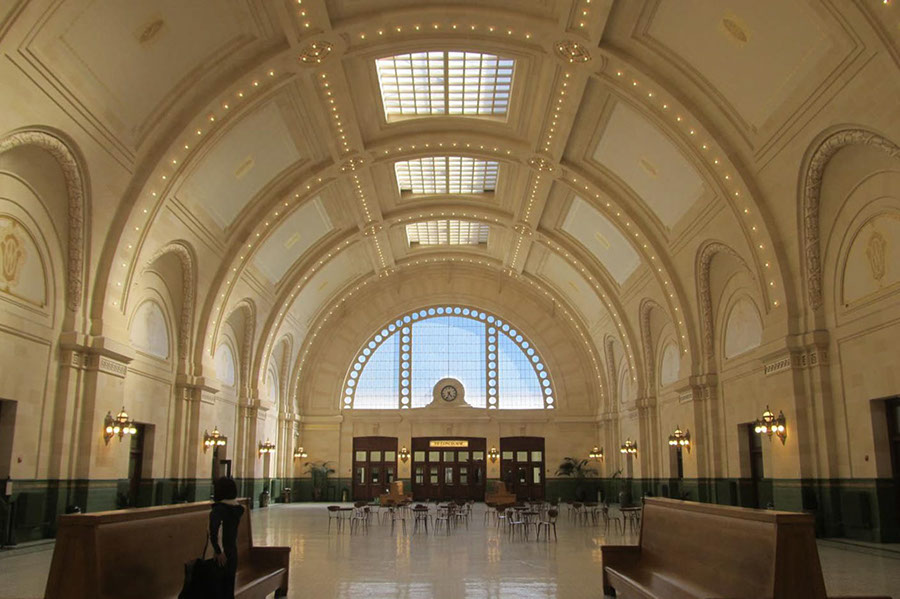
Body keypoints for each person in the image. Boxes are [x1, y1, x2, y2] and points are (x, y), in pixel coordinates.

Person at [210, 477, 244, 599]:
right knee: (229, 587)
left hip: (221, 555)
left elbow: (215, 531)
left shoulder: (219, 510)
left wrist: (218, 551)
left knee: (218, 589)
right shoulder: (237, 509)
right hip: (232, 552)